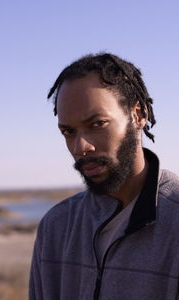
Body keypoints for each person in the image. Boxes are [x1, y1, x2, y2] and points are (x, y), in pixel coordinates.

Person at [29, 53, 179, 300]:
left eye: (97, 124)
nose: (80, 147)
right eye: (68, 131)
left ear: (138, 115)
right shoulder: (56, 227)